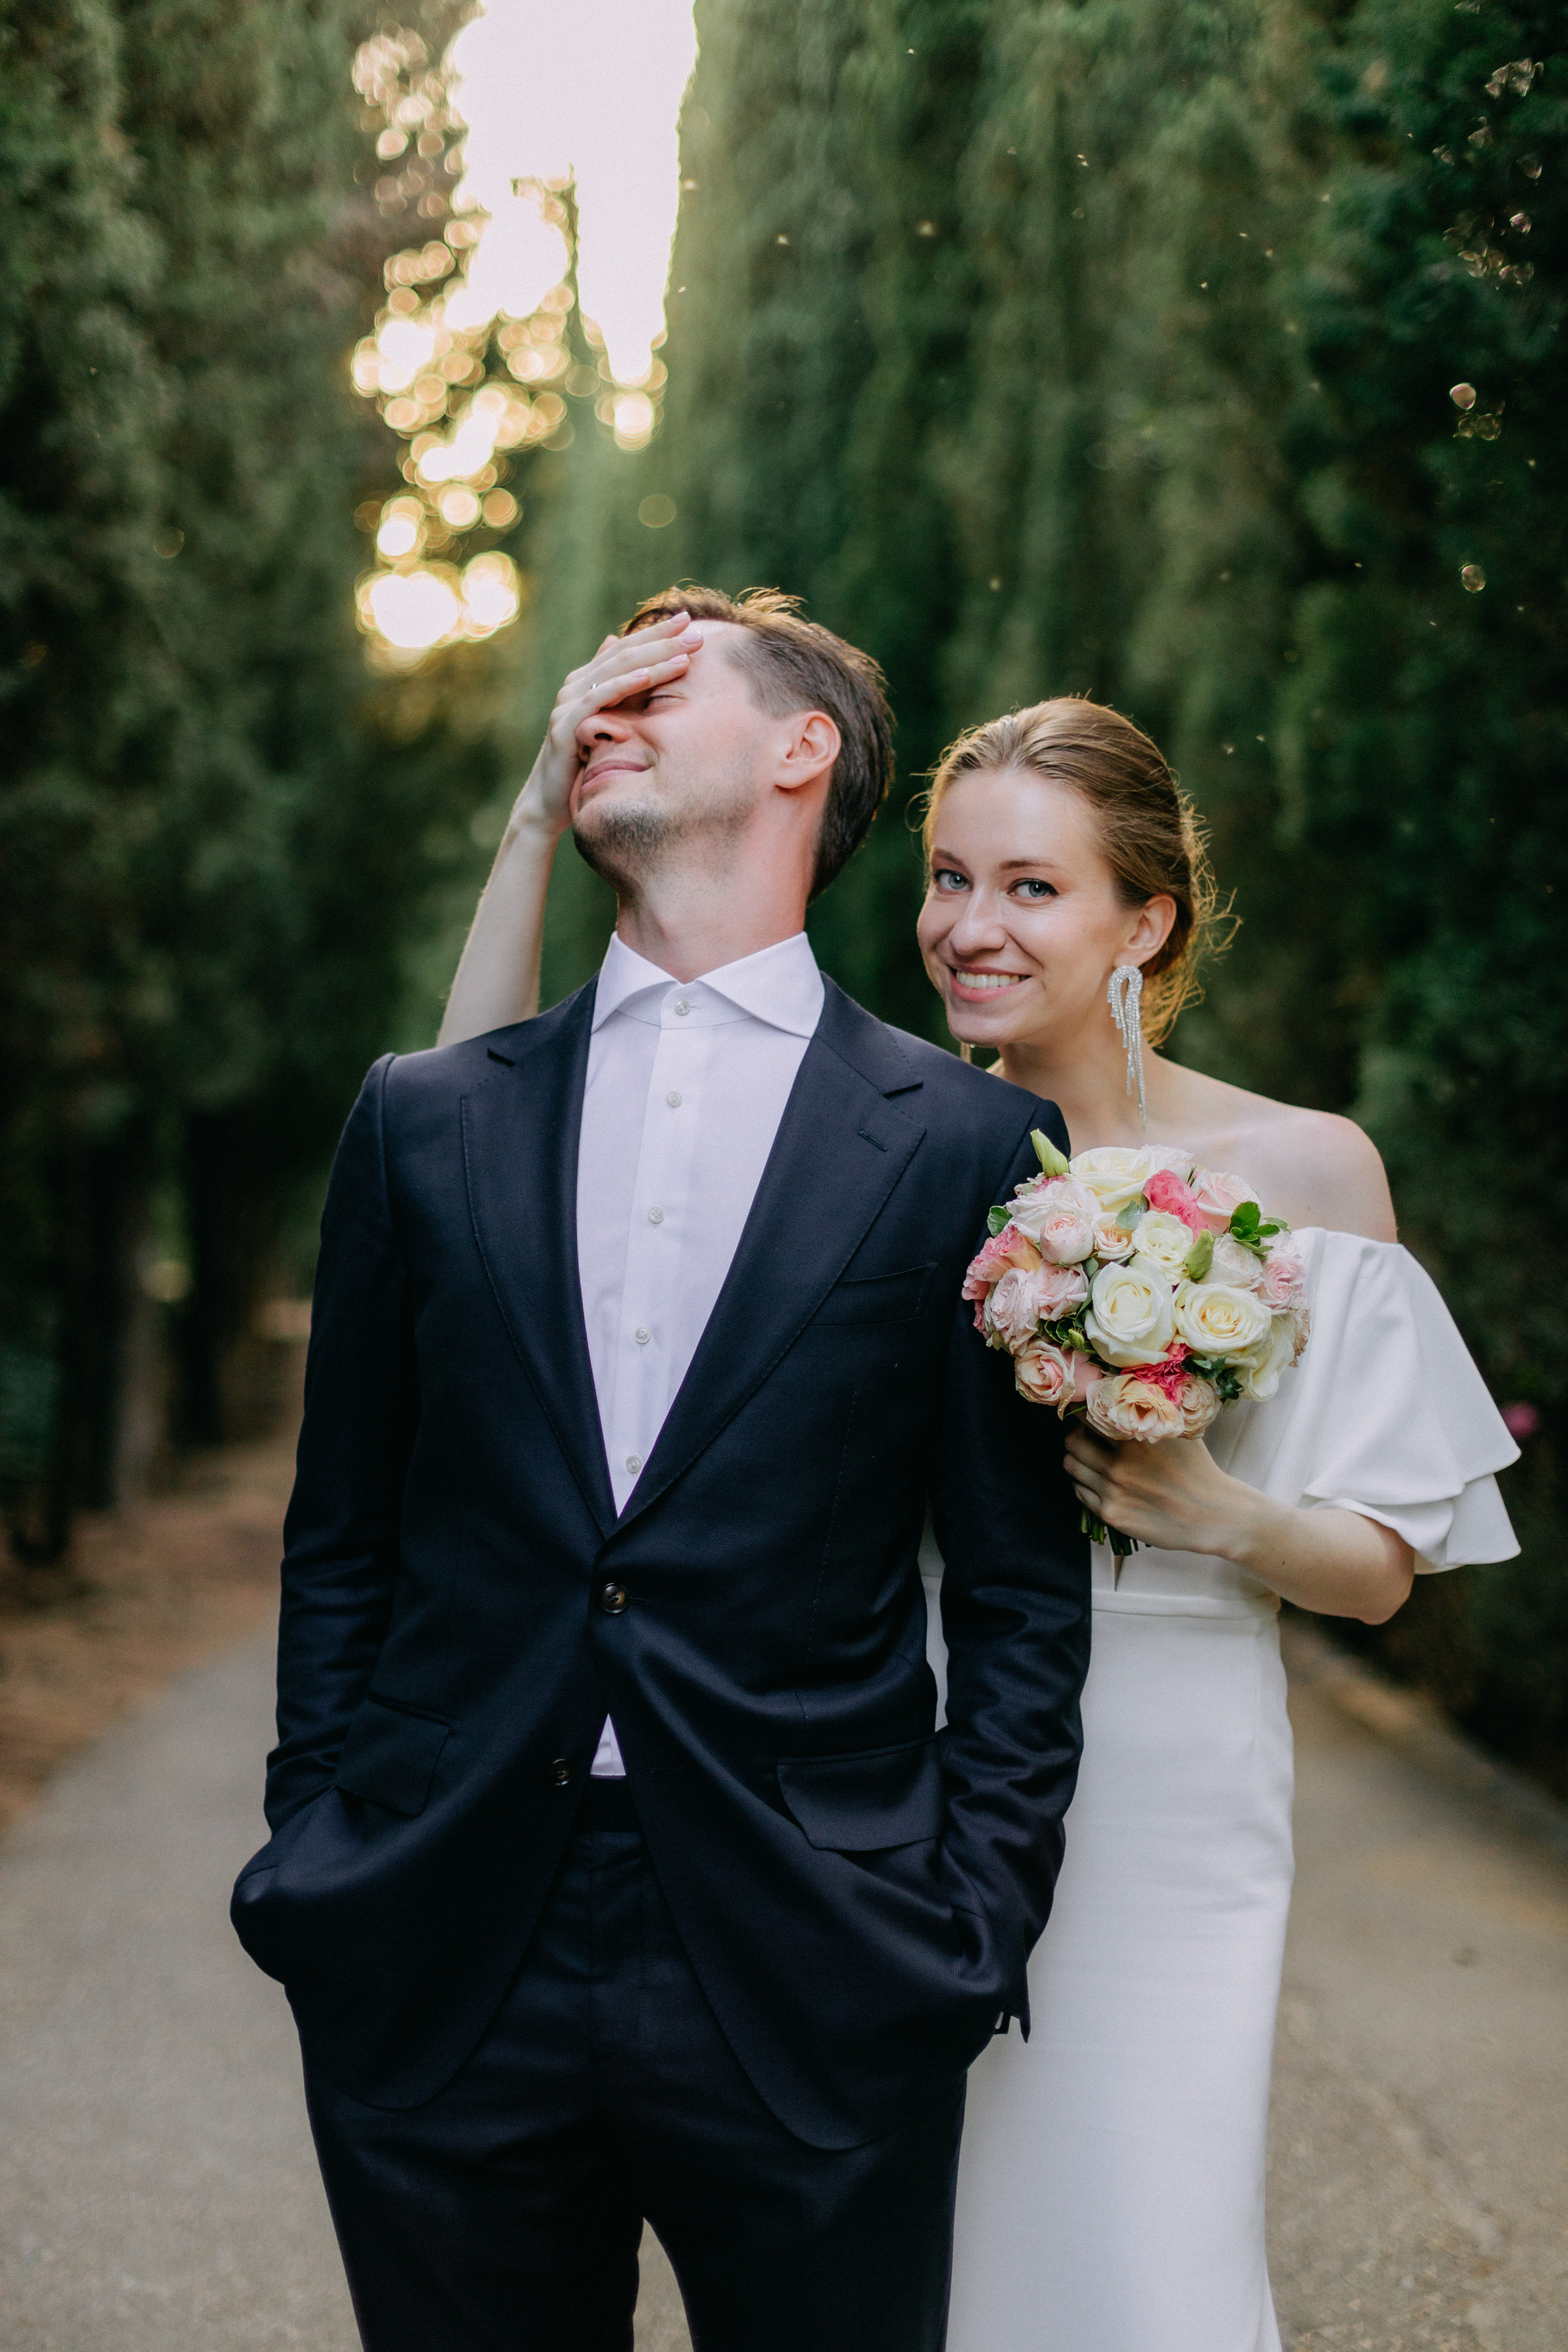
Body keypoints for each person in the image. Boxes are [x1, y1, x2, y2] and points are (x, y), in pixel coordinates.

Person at [440, 658, 1520, 2352]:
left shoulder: (1306, 1171)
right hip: (877, 1776)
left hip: (1171, 1793)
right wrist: (531, 815)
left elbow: (1381, 1571)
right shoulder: (885, 1149)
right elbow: (475, 1113)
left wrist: (1210, 1510)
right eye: (949, 877)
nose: (970, 924)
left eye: (1032, 886)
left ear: (1145, 924)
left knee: (1138, 2244)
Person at [231, 586, 1092, 2352]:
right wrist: (319, 1858)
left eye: (655, 683)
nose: (596, 709)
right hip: (441, 1938)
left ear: (805, 751)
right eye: (589, 688)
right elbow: (344, 1533)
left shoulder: (970, 1147)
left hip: (811, 1958)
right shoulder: (423, 1116)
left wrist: (965, 1925)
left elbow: (1017, 1590)